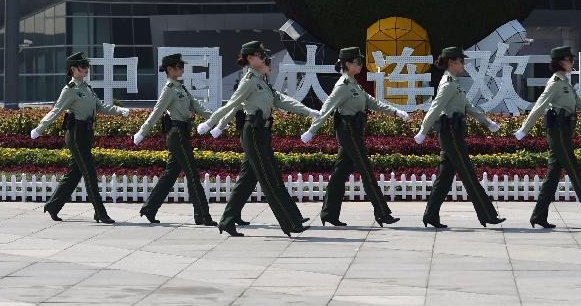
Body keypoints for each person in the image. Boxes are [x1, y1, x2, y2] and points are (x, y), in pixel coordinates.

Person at [198, 41, 318, 237]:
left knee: (247, 180)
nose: (266, 60)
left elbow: (281, 100)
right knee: (270, 177)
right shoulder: (249, 81)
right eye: (262, 57)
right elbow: (232, 104)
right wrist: (212, 123)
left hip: (261, 132)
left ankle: (227, 221)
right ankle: (291, 223)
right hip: (253, 132)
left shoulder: (262, 81)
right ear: (251, 58)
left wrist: (308, 111)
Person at [301, 47, 409, 226]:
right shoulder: (342, 86)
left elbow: (371, 102)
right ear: (347, 64)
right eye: (357, 62)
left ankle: (329, 213)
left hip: (355, 131)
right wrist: (311, 131)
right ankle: (382, 213)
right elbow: (326, 110)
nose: (360, 64)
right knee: (366, 171)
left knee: (340, 172)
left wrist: (395, 111)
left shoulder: (354, 83)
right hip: (347, 131)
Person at [514, 46, 581, 229]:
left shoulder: (566, 83)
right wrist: (524, 129)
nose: (572, 62)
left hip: (565, 131)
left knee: (553, 176)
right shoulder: (555, 83)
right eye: (569, 59)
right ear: (561, 62)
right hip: (558, 131)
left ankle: (538, 216)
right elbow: (539, 106)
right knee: (575, 172)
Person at [30, 52, 129, 224]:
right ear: (73, 69)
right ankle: (100, 212)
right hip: (76, 134)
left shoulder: (86, 87)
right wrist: (40, 128)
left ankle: (53, 205)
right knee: (89, 173)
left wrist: (119, 110)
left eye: (86, 66)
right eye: (82, 67)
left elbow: (100, 106)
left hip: (86, 134)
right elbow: (56, 110)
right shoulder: (70, 90)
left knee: (74, 174)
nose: (86, 69)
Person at [415, 46, 505, 229]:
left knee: (444, 177)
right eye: (460, 61)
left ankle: (431, 215)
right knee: (468, 173)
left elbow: (468, 106)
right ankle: (488, 215)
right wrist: (423, 130)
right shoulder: (448, 84)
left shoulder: (454, 83)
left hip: (454, 133)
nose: (463, 64)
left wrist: (488, 122)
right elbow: (435, 107)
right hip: (450, 134)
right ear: (451, 63)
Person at [133, 53, 215, 226]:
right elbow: (156, 113)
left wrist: (218, 120)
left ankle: (149, 209)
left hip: (182, 133)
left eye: (181, 66)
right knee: (192, 174)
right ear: (170, 69)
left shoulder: (181, 88)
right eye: (178, 66)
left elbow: (199, 108)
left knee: (170, 175)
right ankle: (202, 215)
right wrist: (142, 132)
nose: (181, 68)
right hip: (176, 134)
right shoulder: (169, 89)